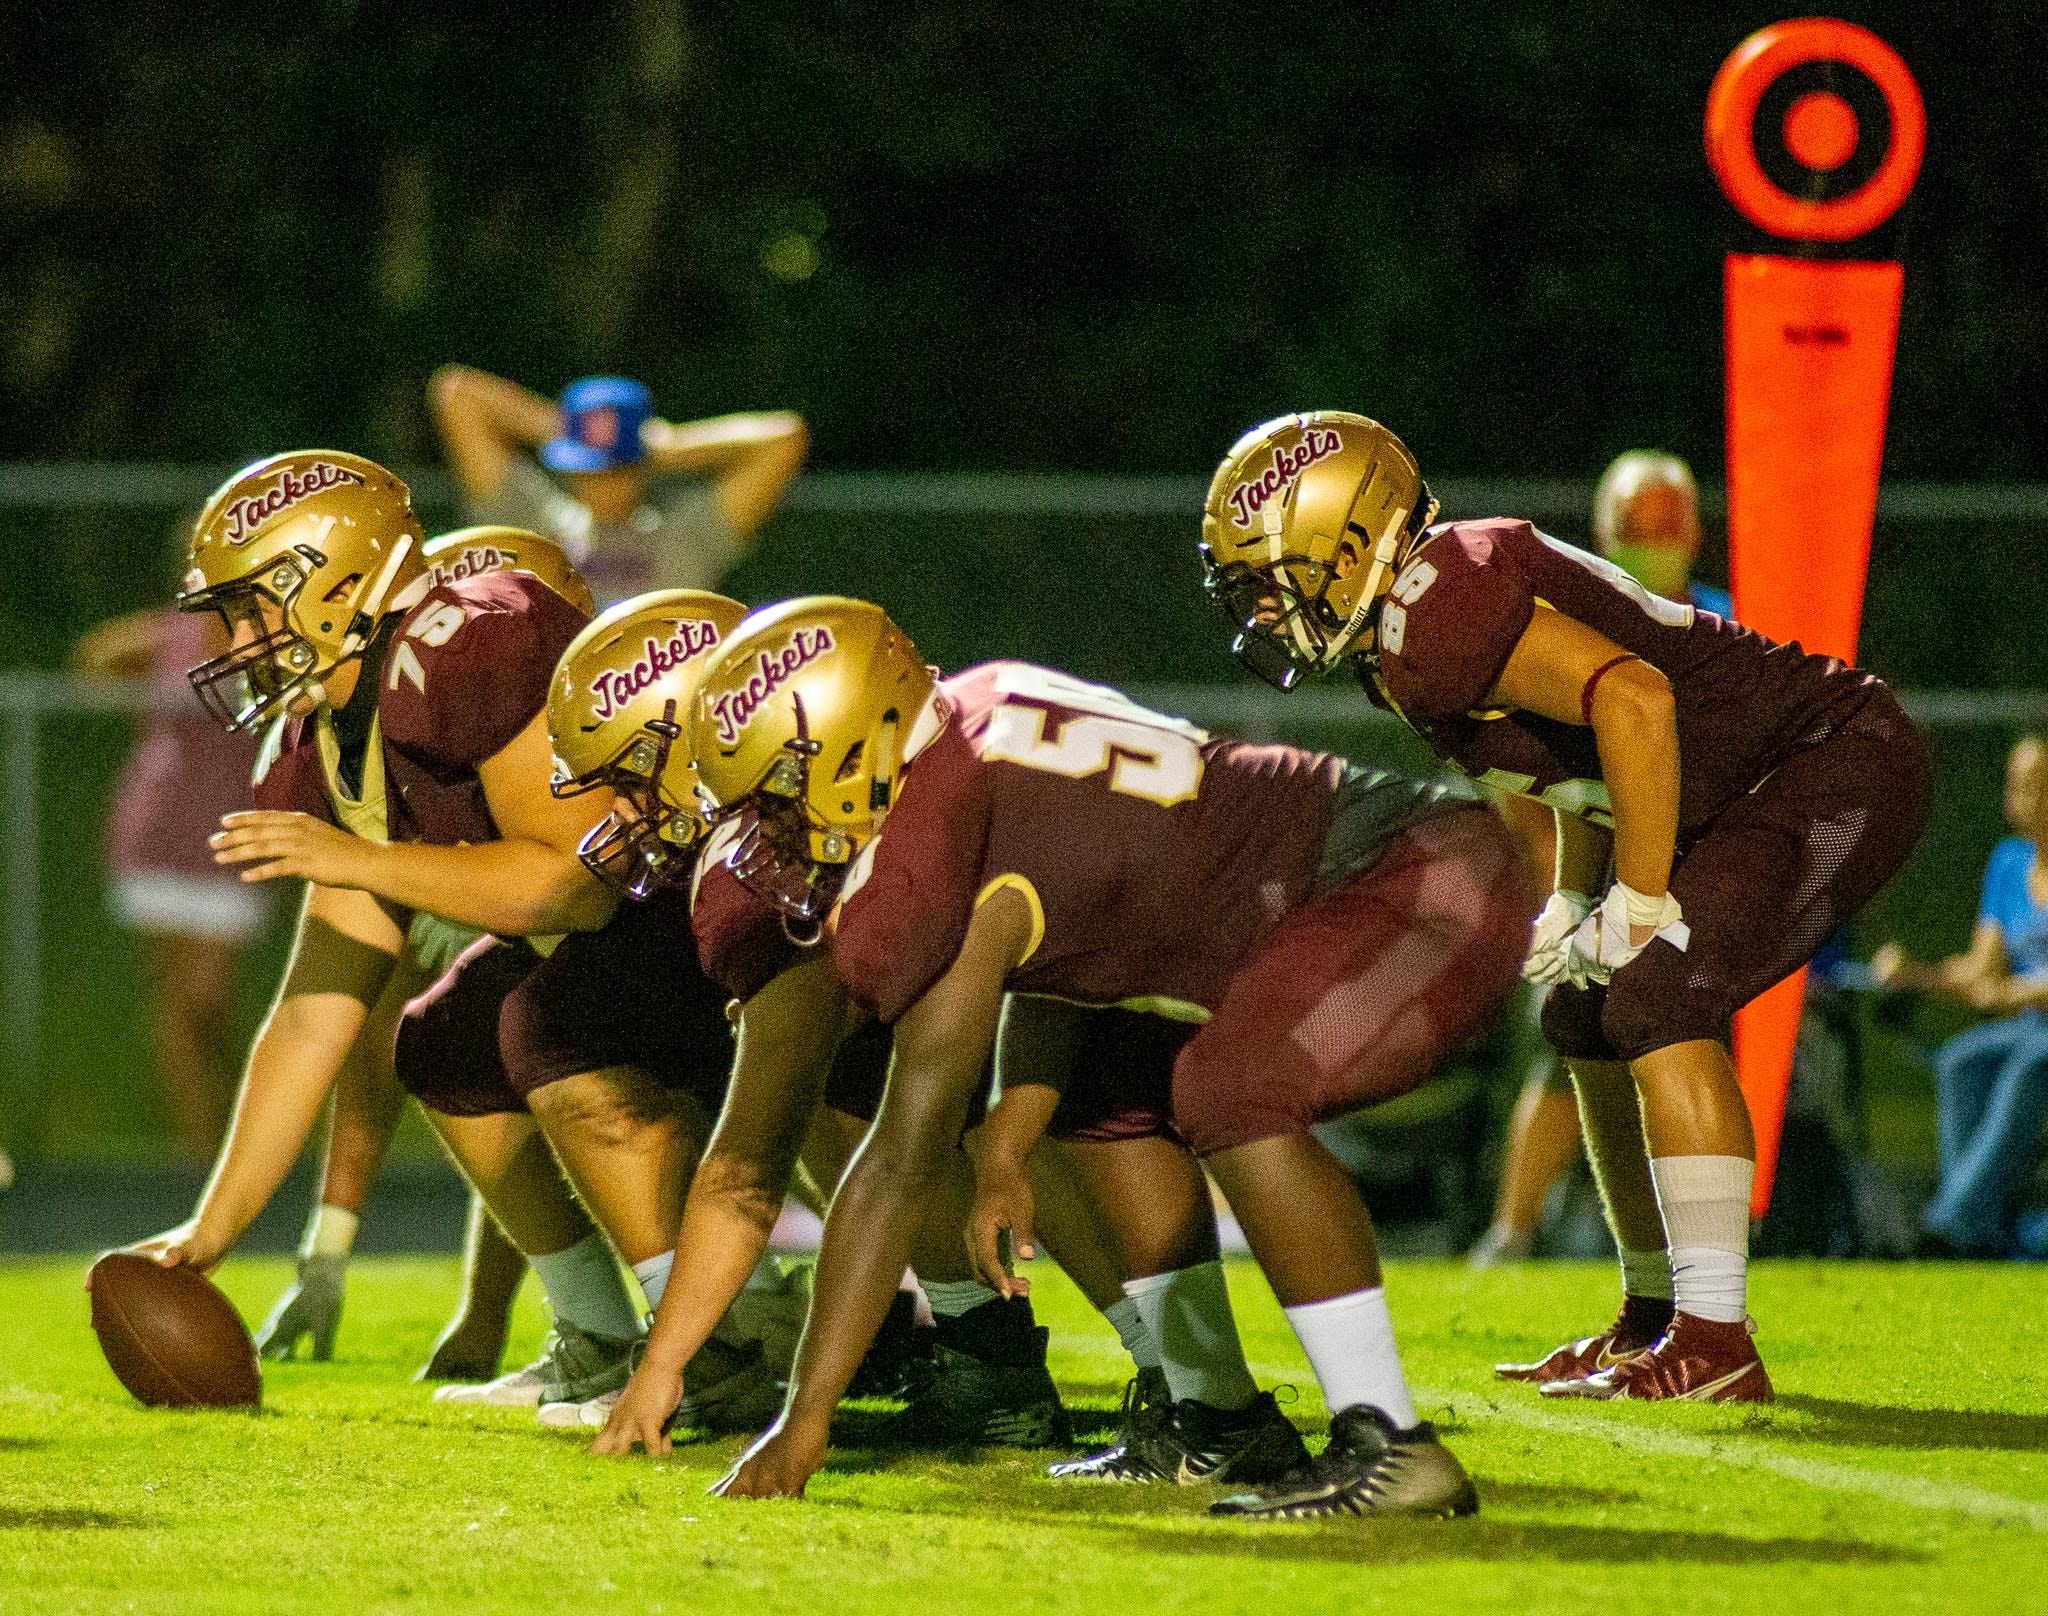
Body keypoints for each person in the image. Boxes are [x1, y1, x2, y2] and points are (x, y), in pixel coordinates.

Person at [634, 598, 1532, 1519]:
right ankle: (1216, 1419)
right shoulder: (970, 724)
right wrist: (1008, 1142)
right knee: (1090, 1110)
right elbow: (1062, 936)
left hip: (1413, 876)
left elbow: (900, 1162)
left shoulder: (940, 836)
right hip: (1368, 872)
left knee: (1229, 1087)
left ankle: (1390, 1444)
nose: (772, 832)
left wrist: (804, 1417)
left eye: (781, 791)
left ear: (859, 734)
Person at [1200, 411, 1930, 1403]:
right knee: (1579, 1012)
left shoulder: (1436, 609)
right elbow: (1585, 759)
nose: (1271, 607)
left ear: (1355, 539)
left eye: (1281, 575)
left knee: (1654, 996)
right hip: (1747, 783)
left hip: (1823, 760)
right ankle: (1650, 1311)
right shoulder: (1407, 631)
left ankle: (1714, 1338)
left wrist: (1633, 897)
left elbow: (1632, 703)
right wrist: (1572, 898)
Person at [109, 453, 786, 1420]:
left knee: (549, 1026)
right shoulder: (330, 733)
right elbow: (311, 1015)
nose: (237, 639)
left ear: (340, 580)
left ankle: (718, 1343)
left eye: (257, 606)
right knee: (442, 1037)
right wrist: (211, 1230)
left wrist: (366, 864)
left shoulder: (465, 643)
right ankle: (596, 1332)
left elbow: (574, 882)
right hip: (621, 931)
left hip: (713, 912)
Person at [1470, 449, 1729, 1266]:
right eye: (1637, 526)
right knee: (1572, 1034)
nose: (1653, 541)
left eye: (1667, 525)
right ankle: (1520, 1234)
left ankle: (1707, 1259)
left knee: (1681, 1045)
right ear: (1605, 532)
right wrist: (1570, 893)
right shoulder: (1571, 618)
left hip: (1698, 879)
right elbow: (1532, 770)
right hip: (1598, 868)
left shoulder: (1730, 626)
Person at [71, 600, 273, 1159]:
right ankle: (201, 1154)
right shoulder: (171, 635)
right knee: (176, 1004)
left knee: (214, 1004)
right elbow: (94, 657)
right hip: (159, 827)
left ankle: (237, 1141)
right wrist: (138, 702)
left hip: (232, 833)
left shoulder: (267, 644)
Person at [1873, 735, 2048, 1257]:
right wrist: (1913, 975)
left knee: (2025, 1069)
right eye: (2015, 786)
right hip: (2027, 1026)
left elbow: (2006, 986)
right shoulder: (2009, 863)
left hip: (2039, 1033)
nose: (2019, 797)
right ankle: (1980, 1227)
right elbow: (1980, 968)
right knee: (1960, 1061)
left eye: (2033, 785)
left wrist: (2015, 991)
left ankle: (1950, 1221)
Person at [429, 366, 807, 606]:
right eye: (589, 469)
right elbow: (456, 393)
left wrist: (670, 445)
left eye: (617, 470)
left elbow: (785, 439)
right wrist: (575, 430)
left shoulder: (686, 539)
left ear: (642, 468)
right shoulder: (534, 523)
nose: (602, 484)